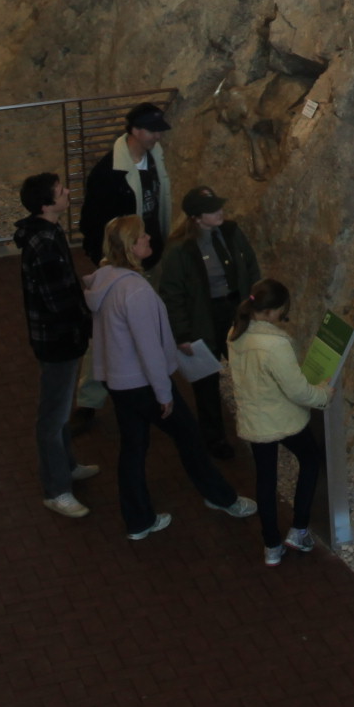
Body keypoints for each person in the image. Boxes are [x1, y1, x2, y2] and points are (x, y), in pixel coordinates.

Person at [85, 212, 255, 540]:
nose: (150, 238)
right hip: (143, 384)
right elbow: (148, 348)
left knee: (133, 448)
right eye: (143, 236)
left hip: (119, 381)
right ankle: (222, 498)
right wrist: (163, 392)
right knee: (189, 437)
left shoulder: (104, 281)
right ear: (132, 247)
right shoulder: (135, 291)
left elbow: (104, 337)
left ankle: (138, 520)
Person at [13, 171, 100, 518]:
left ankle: (66, 464)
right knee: (52, 415)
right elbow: (57, 300)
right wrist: (86, 323)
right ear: (47, 204)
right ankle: (56, 489)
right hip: (58, 341)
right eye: (61, 191)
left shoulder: (46, 234)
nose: (67, 193)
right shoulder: (45, 244)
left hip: (59, 338)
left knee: (61, 406)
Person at [227, 277, 332, 566]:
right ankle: (299, 529)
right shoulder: (274, 345)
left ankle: (271, 546)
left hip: (256, 420)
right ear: (273, 311)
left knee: (265, 479)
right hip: (281, 419)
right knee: (310, 459)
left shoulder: (235, 333)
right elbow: (297, 390)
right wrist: (323, 395)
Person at [153, 187, 259, 453]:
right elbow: (172, 294)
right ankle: (214, 438)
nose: (220, 212)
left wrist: (254, 306)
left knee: (246, 370)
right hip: (205, 317)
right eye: (212, 209)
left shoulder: (232, 232)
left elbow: (250, 267)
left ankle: (255, 425)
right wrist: (183, 335)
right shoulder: (179, 250)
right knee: (206, 383)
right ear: (197, 218)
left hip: (235, 311)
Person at [81, 103, 175, 263]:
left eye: (159, 131)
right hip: (124, 258)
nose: (158, 136)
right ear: (135, 130)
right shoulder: (107, 172)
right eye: (152, 131)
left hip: (152, 250)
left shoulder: (155, 159)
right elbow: (92, 220)